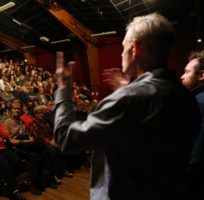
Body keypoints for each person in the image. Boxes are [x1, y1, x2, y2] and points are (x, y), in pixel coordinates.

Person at [54, 13, 201, 200]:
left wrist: (63, 90)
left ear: (135, 48)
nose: (122, 53)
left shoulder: (129, 99)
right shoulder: (187, 98)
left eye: (123, 47)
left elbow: (65, 138)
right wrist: (129, 90)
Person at [181, 51, 204, 199]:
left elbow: (197, 150)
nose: (182, 76)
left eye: (187, 71)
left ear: (201, 75)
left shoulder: (199, 102)